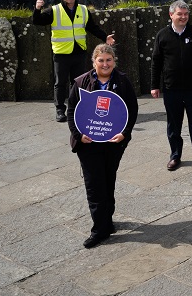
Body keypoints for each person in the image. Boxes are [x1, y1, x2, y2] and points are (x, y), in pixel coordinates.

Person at [67, 43, 138, 248]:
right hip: (87, 144)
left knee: (108, 181)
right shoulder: (80, 82)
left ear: (114, 61)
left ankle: (107, 220)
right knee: (95, 186)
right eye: (101, 60)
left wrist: (124, 134)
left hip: (113, 143)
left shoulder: (123, 82)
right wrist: (78, 135)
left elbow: (131, 110)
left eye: (109, 60)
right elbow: (72, 111)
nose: (105, 64)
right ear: (94, 61)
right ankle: (99, 230)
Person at [150, 0, 192, 174]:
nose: (183, 17)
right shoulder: (162, 35)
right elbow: (156, 62)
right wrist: (154, 86)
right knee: (174, 126)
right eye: (180, 14)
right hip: (171, 89)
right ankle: (175, 156)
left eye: (186, 14)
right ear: (171, 15)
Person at [33, 0, 115, 122]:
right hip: (61, 53)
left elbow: (92, 27)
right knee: (60, 82)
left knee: (78, 82)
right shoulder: (54, 10)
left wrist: (105, 37)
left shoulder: (83, 10)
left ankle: (77, 107)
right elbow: (37, 21)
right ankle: (60, 110)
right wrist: (37, 8)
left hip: (79, 52)